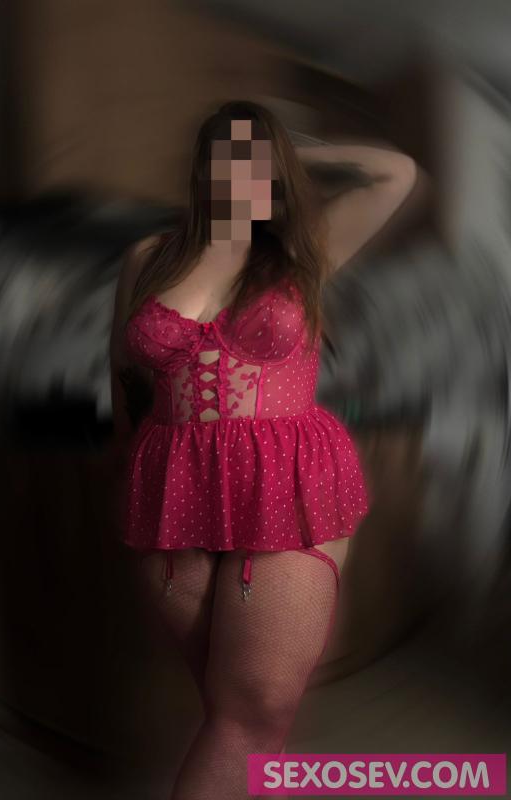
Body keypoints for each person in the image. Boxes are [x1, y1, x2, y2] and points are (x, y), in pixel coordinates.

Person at [110, 100, 417, 800]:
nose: (243, 173)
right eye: (229, 156)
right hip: (173, 490)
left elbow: (394, 174)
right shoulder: (147, 259)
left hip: (286, 481)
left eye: (259, 162)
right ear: (202, 166)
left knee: (250, 715)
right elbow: (122, 378)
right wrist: (127, 476)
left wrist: (292, 153)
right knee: (238, 714)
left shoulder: (305, 251)